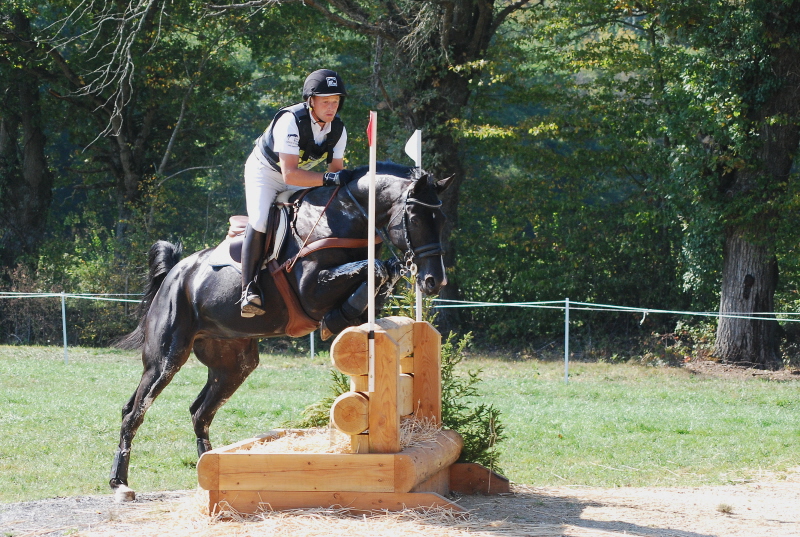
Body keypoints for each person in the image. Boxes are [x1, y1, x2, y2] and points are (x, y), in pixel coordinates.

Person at [240, 69, 350, 317]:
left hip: (300, 175)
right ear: (311, 100)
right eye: (325, 101)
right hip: (266, 173)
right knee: (259, 219)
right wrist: (330, 179)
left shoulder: (338, 130)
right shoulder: (291, 120)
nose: (332, 107)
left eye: (335, 101)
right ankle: (248, 288)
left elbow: (336, 176)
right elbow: (290, 174)